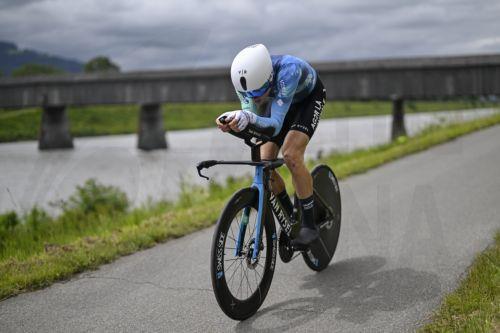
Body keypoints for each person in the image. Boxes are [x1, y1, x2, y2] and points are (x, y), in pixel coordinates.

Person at [216, 44, 326, 247]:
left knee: (291, 155)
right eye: (249, 93)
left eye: (259, 90)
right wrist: (233, 122)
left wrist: (248, 117)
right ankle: (291, 217)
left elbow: (274, 125)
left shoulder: (288, 71)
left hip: (307, 100)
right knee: (264, 163)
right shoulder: (247, 84)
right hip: (278, 101)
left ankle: (309, 225)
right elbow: (251, 114)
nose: (254, 97)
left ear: (269, 78)